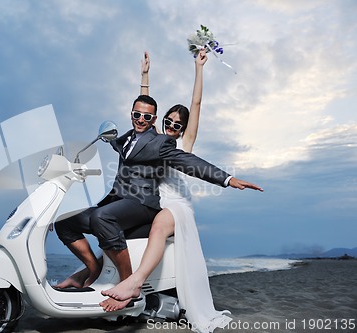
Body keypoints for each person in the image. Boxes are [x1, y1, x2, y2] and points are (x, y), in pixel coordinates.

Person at [54, 77, 261, 296]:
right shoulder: (126, 138)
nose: (141, 120)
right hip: (120, 200)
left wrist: (227, 179)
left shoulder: (162, 142)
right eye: (136, 115)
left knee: (102, 218)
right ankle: (93, 269)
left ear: (154, 120)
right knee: (64, 221)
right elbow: (139, 109)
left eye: (146, 117)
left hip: (147, 202)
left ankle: (128, 284)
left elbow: (190, 162)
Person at [100, 51, 250, 331]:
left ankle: (134, 282)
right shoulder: (154, 140)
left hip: (176, 204)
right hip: (155, 203)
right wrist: (145, 75)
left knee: (158, 227)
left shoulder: (184, 144)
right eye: (167, 122)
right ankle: (99, 279)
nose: (171, 127)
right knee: (116, 227)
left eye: (177, 125)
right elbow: (142, 111)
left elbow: (196, 102)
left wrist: (198, 67)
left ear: (182, 130)